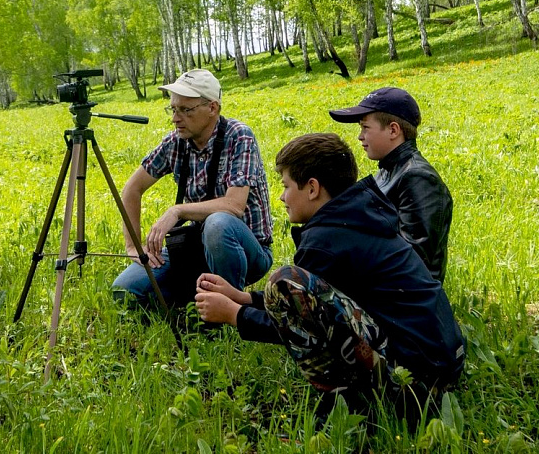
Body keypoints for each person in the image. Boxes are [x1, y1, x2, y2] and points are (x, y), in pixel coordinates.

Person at [194, 133, 465, 423]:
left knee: (285, 280)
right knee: (289, 287)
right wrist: (245, 298)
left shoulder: (325, 242)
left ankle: (349, 406)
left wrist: (234, 315)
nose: (282, 197)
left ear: (312, 188)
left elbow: (298, 322)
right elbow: (333, 298)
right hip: (442, 365)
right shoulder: (358, 216)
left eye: (286, 186)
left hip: (411, 383)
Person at [112, 69, 273, 308]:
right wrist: (132, 246)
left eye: (185, 110)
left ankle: (230, 310)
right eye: (173, 109)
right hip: (196, 247)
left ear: (212, 108)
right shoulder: (176, 141)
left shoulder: (239, 136)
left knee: (218, 223)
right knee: (125, 291)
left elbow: (234, 206)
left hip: (247, 250)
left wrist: (177, 210)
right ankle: (193, 301)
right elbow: (132, 189)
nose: (175, 118)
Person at [329, 87, 453, 282]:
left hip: (404, 298)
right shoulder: (388, 171)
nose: (360, 136)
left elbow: (413, 260)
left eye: (365, 127)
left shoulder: (418, 178)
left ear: (393, 130)